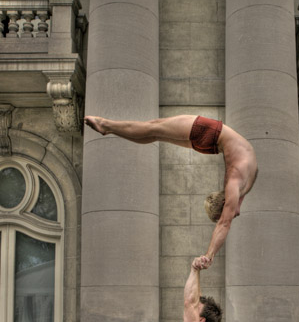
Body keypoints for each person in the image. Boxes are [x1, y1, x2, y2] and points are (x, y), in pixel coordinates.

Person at [84, 114, 258, 267]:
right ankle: (106, 124)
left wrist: (232, 210)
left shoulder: (243, 186)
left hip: (211, 143)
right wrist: (209, 255)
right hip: (209, 132)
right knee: (153, 127)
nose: (233, 214)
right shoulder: (234, 184)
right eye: (225, 212)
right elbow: (224, 224)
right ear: (224, 203)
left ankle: (111, 130)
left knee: (155, 133)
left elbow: (232, 212)